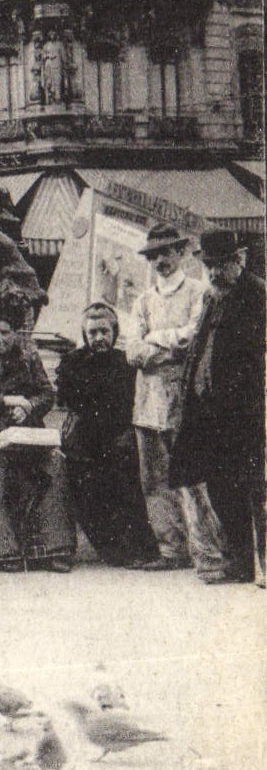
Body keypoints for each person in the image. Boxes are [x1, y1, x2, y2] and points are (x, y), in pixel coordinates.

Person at [126, 222, 228, 580]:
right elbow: (132, 351)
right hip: (148, 403)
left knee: (193, 477)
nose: (160, 261)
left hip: (186, 400)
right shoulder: (142, 300)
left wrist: (156, 338)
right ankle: (170, 550)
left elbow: (193, 337)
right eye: (153, 255)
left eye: (166, 253)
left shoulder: (200, 292)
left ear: (181, 253)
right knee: (154, 480)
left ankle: (210, 552)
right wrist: (161, 348)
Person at [171, 231, 266, 585]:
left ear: (238, 260)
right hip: (208, 413)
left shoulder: (258, 295)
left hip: (244, 413)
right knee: (220, 487)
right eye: (208, 265)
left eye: (221, 264)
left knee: (252, 487)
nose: (213, 272)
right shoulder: (213, 297)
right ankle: (240, 561)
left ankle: (260, 564)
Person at [0, 294, 75, 572]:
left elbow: (46, 393)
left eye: (5, 333)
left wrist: (29, 408)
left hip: (26, 433)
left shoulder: (29, 357)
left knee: (53, 467)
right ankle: (1, 552)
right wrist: (7, 401)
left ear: (15, 334)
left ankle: (53, 549)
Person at [54, 303, 160, 568]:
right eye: (93, 333)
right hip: (86, 438)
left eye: (104, 331)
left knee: (125, 480)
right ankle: (111, 548)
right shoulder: (72, 362)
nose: (99, 338)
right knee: (86, 485)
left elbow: (130, 402)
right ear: (85, 335)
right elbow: (68, 400)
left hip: (118, 434)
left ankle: (139, 548)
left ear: (114, 332)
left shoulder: (124, 362)